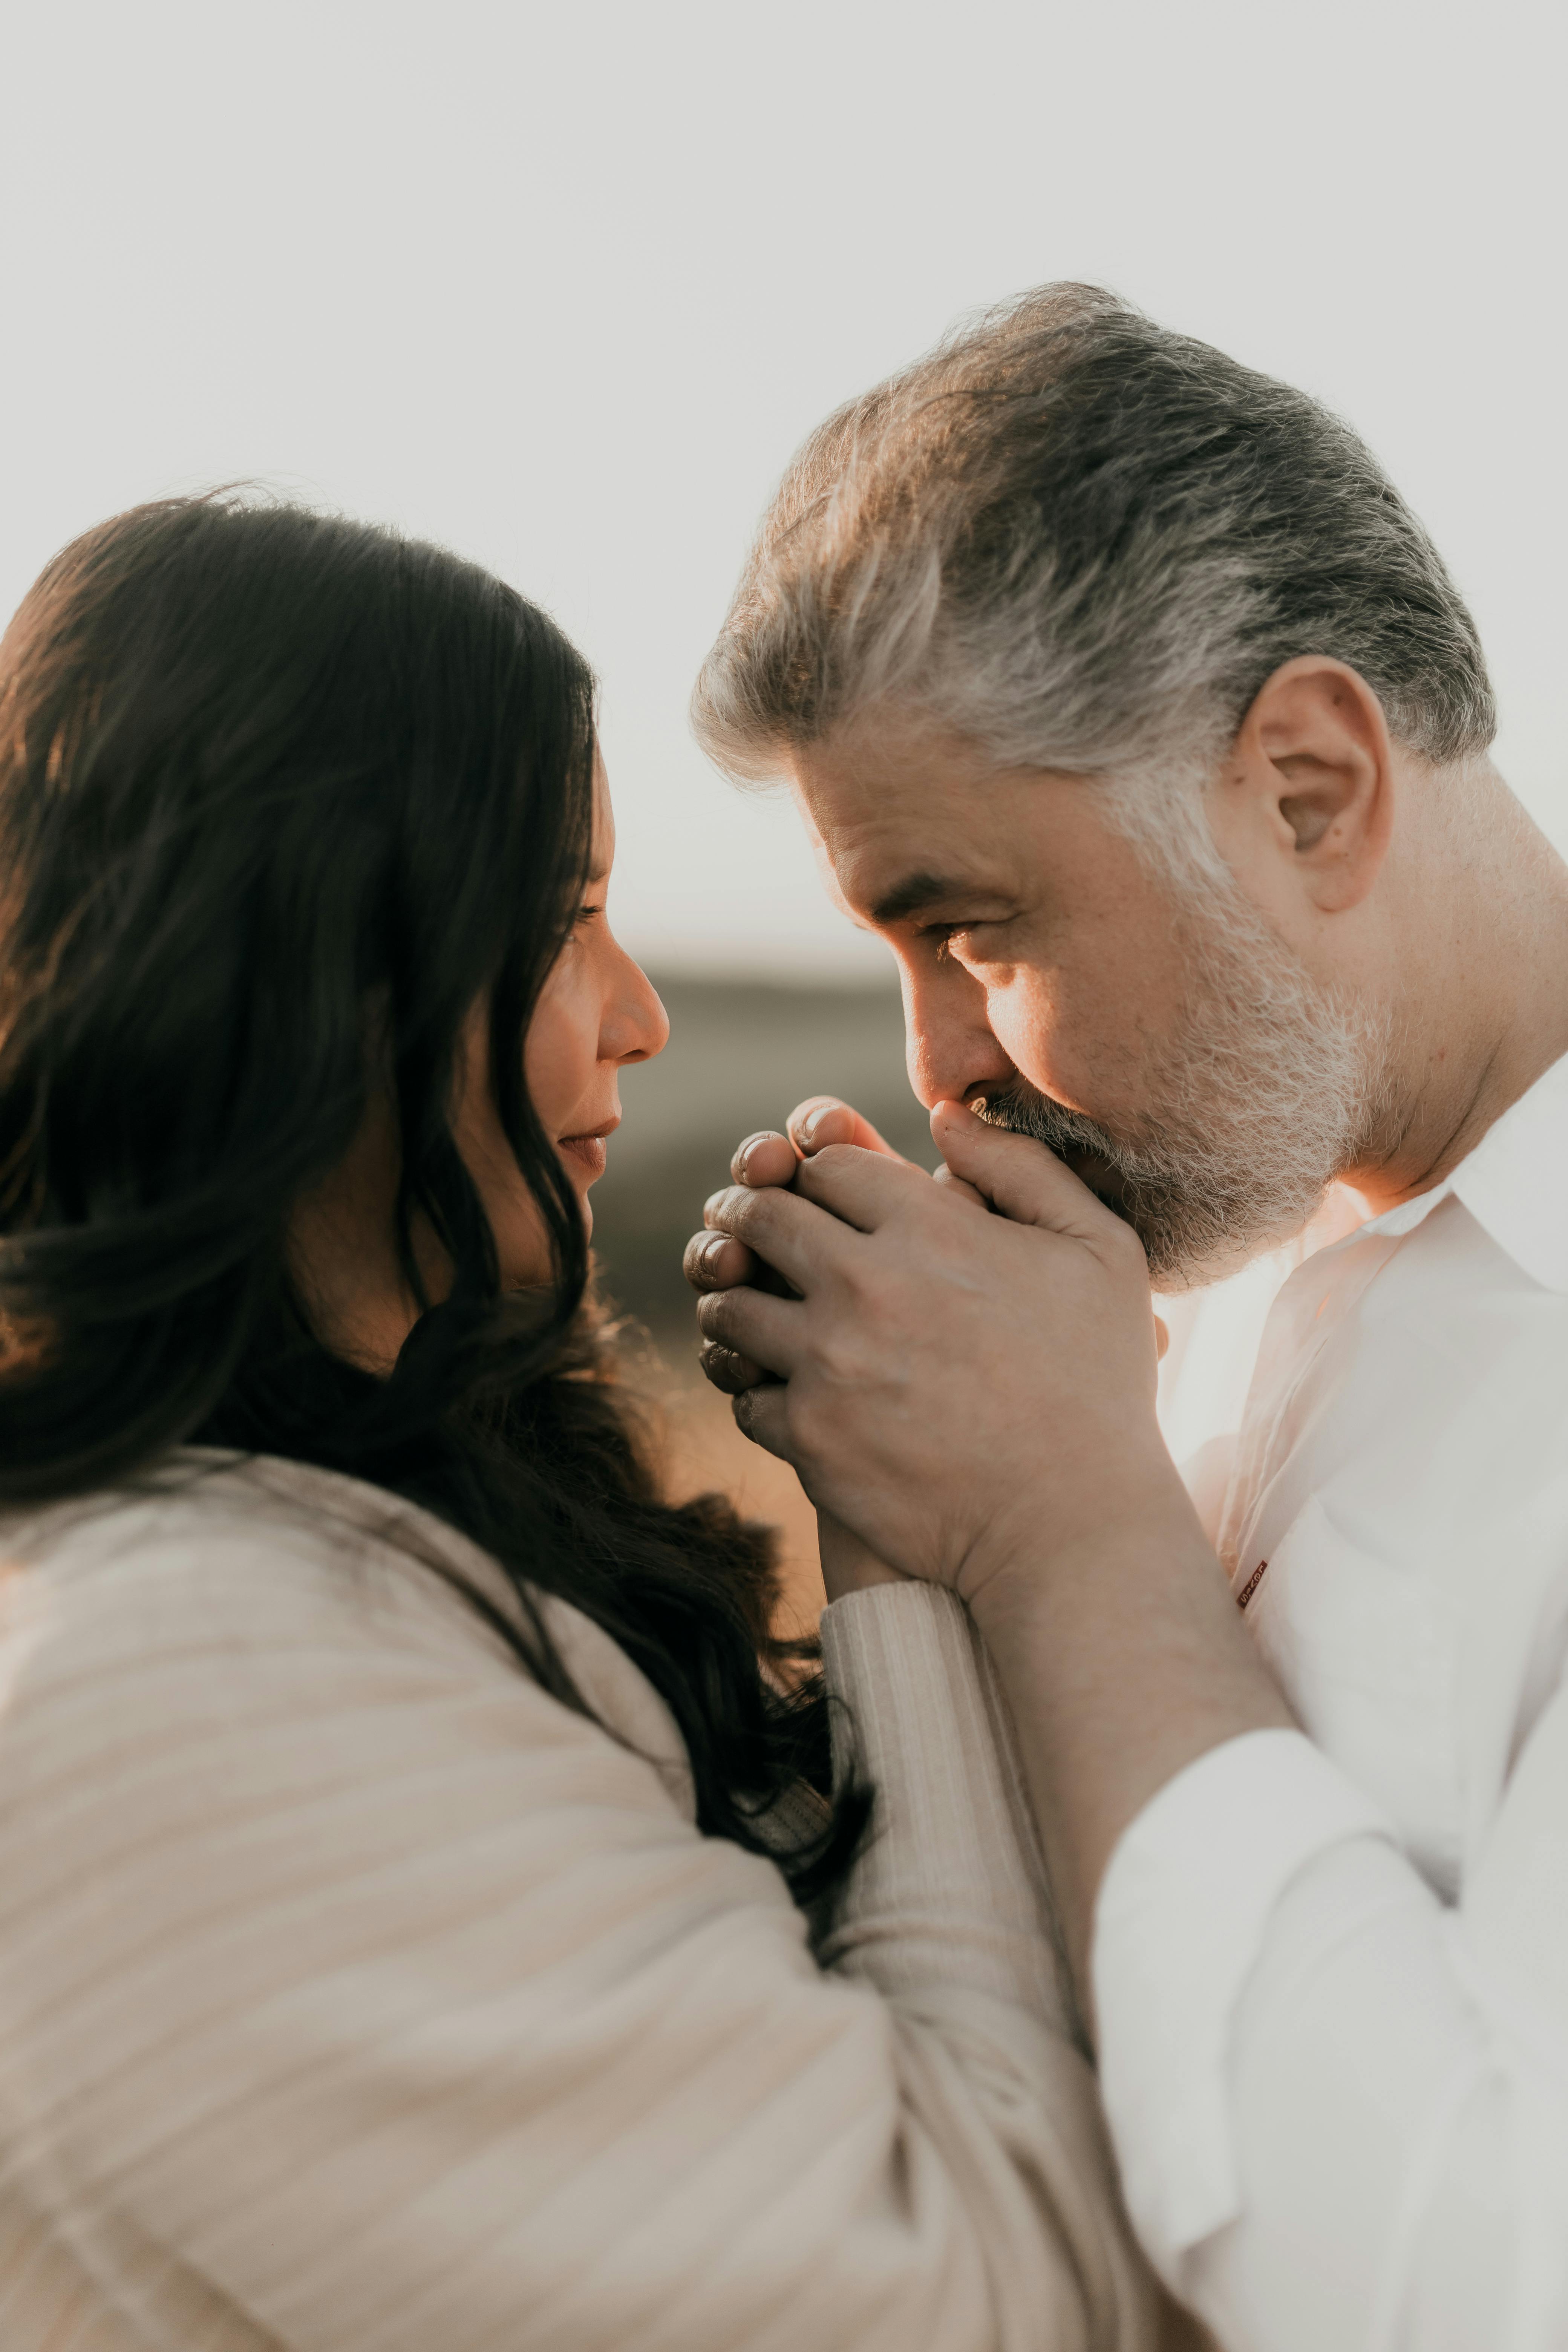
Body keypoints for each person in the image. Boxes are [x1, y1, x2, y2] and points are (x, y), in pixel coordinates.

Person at [0, 492, 1169, 2352]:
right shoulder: (182, 1688)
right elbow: (981, 2297)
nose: (635, 1017)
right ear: (308, 976)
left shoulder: (372, 1529)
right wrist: (932, 1515)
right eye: (562, 921)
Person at [685, 284, 1568, 2350]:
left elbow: (1480, 2285)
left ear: (1311, 787)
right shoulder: (1221, 1291)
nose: (939, 1064)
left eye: (977, 932)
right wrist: (918, 1530)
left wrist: (1072, 1523)